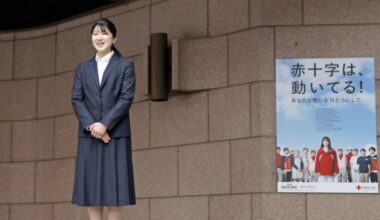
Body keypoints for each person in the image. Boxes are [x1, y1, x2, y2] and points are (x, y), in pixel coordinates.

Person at [71, 18, 136, 220]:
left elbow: (126, 98)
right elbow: (76, 98)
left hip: (115, 134)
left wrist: (104, 124)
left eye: (105, 33)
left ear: (114, 37)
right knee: (91, 190)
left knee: (114, 191)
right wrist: (93, 126)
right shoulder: (83, 68)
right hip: (90, 135)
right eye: (96, 33)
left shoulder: (125, 65)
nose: (99, 37)